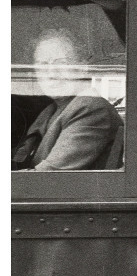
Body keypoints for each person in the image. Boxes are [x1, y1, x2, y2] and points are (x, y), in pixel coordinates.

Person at [12, 28, 124, 171]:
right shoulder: (50, 111)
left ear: (82, 67)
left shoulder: (90, 108)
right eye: (43, 65)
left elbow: (48, 175)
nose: (51, 73)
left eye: (61, 63)